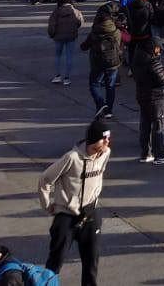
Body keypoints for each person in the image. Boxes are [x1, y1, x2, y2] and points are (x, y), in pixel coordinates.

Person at [37, 117, 111, 286]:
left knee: (91, 260)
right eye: (104, 137)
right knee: (56, 260)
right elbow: (45, 179)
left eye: (108, 136)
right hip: (67, 215)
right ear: (93, 139)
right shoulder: (72, 158)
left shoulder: (106, 153)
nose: (108, 141)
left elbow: (100, 174)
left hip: (91, 214)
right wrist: (47, 205)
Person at [134, 39, 164, 164]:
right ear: (154, 48)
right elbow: (162, 80)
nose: (160, 50)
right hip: (155, 97)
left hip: (142, 95)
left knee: (145, 125)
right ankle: (159, 155)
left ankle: (145, 153)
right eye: (158, 48)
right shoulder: (153, 62)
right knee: (158, 125)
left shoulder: (137, 59)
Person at [82, 3, 122, 116]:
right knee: (111, 86)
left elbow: (85, 45)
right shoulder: (116, 31)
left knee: (94, 84)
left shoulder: (95, 31)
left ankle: (100, 103)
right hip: (113, 62)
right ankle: (109, 110)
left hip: (97, 61)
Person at [48, 0, 85, 85]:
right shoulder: (76, 12)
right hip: (71, 36)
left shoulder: (56, 12)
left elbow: (51, 26)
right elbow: (80, 23)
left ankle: (57, 75)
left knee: (58, 56)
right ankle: (67, 77)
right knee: (69, 56)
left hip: (58, 37)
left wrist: (52, 35)